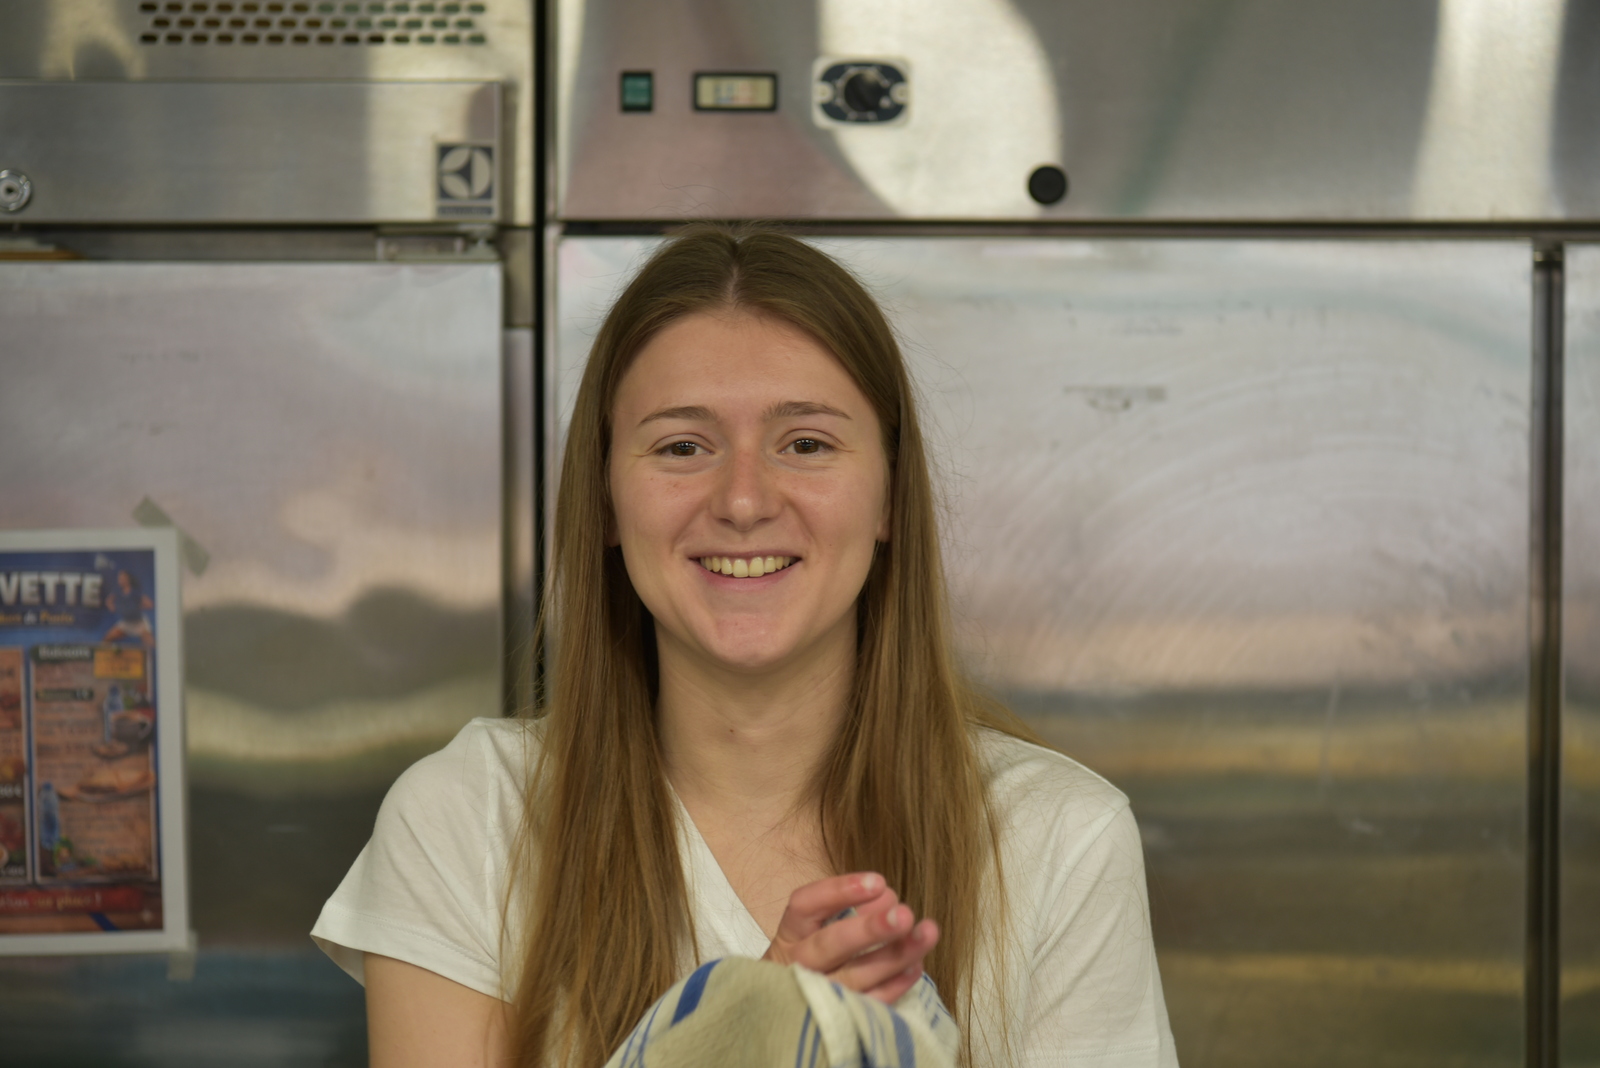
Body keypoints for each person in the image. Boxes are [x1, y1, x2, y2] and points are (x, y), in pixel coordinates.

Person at [312, 226, 1178, 1067]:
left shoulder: (1058, 839)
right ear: (607, 499)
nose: (743, 501)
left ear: (888, 499)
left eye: (806, 443)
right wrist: (736, 1040)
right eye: (683, 446)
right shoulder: (471, 819)